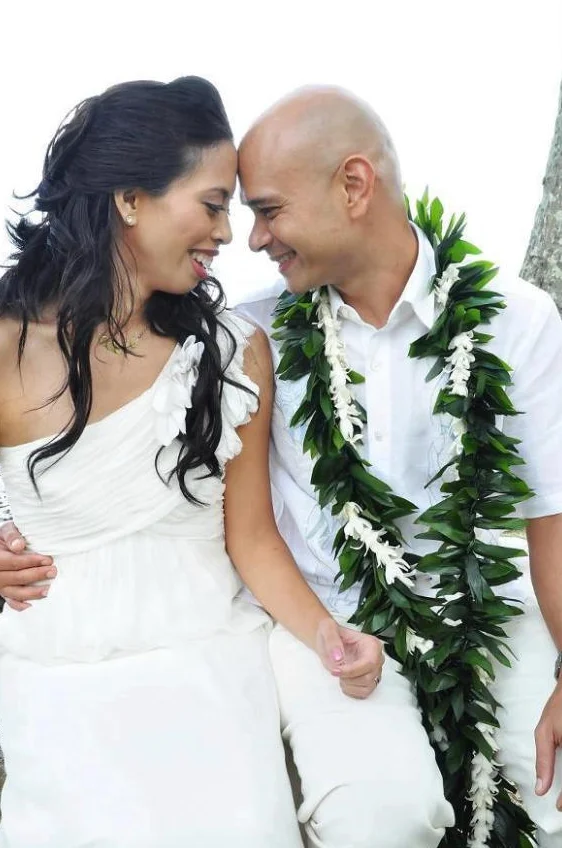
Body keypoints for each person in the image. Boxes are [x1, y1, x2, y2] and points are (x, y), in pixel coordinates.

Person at [0, 78, 384, 848]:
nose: (228, 234)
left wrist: (329, 637)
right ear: (131, 198)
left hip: (211, 678)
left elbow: (252, 539)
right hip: (56, 688)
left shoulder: (235, 354)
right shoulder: (4, 344)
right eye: (212, 204)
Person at [231, 88, 562, 847]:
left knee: (551, 795)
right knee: (382, 819)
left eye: (269, 210)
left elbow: (551, 516)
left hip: (485, 614)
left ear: (353, 185)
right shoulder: (254, 334)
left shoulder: (517, 319)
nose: (254, 239)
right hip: (328, 623)